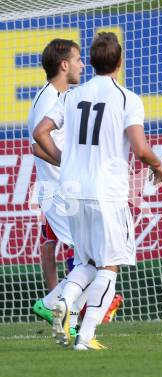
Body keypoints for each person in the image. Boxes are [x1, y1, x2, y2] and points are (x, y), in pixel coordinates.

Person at [33, 32, 162, 350]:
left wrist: (65, 162)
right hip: (107, 192)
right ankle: (87, 336)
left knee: (85, 262)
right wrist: (157, 165)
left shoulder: (70, 96)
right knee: (109, 265)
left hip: (73, 190)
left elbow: (40, 132)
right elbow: (139, 147)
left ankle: (62, 304)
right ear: (120, 62)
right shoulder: (126, 98)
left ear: (91, 62)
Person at [27, 39, 87, 332]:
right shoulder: (50, 99)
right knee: (89, 257)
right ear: (64, 65)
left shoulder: (58, 96)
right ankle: (56, 307)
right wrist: (68, 161)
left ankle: (65, 315)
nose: (81, 64)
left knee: (88, 256)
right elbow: (37, 144)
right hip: (59, 192)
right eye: (77, 59)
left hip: (63, 190)